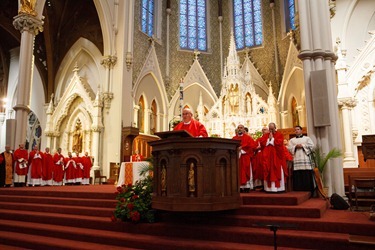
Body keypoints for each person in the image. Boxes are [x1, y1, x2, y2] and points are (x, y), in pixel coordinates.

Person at [259, 122, 287, 192]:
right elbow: (262, 143)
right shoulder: (266, 135)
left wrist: (272, 139)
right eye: (270, 129)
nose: (271, 130)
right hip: (268, 157)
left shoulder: (279, 134)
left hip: (277, 157)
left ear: (275, 128)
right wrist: (269, 139)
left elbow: (280, 144)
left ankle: (279, 188)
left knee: (276, 170)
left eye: (272, 129)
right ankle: (269, 189)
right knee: (268, 170)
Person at [288, 125, 315, 194]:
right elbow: (289, 148)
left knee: (306, 174)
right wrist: (295, 146)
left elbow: (312, 146)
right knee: (298, 175)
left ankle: (309, 190)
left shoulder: (307, 139)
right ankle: (298, 190)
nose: (296, 131)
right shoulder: (292, 140)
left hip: (305, 159)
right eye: (295, 130)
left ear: (301, 130)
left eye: (298, 129)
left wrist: (303, 146)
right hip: (297, 159)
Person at [233, 124, 257, 192]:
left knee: (246, 171)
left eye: (241, 128)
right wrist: (237, 149)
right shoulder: (234, 138)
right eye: (238, 128)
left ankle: (247, 187)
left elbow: (252, 146)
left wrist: (242, 148)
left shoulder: (248, 138)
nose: (240, 129)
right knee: (238, 172)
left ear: (244, 129)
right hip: (237, 157)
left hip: (245, 156)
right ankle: (239, 187)